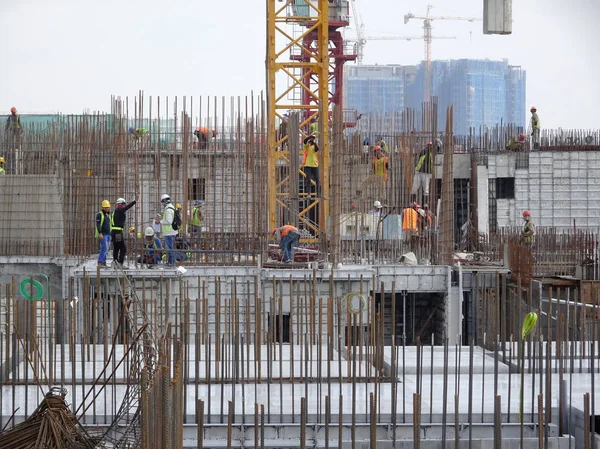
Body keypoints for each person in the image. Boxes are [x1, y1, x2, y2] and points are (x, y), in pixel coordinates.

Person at [110, 197, 137, 269]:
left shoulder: (115, 211)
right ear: (120, 204)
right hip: (118, 233)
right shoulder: (119, 210)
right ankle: (120, 263)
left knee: (116, 248)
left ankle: (115, 262)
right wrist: (134, 201)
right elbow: (127, 207)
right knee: (123, 248)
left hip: (114, 232)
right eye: (123, 204)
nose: (124, 206)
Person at [160, 194, 178, 266]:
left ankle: (171, 263)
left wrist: (160, 221)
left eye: (162, 202)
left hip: (169, 232)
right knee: (170, 248)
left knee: (170, 248)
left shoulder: (168, 209)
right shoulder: (171, 208)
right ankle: (171, 262)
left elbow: (169, 221)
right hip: (170, 232)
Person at [301, 134, 320, 198]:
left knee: (317, 179)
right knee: (308, 180)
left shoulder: (314, 147)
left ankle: (318, 193)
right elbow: (305, 141)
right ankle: (309, 193)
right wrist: (310, 136)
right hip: (308, 165)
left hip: (315, 165)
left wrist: (314, 142)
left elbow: (317, 149)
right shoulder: (306, 147)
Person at [95, 200, 112, 267]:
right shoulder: (99, 214)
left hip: (108, 234)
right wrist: (100, 233)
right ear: (103, 207)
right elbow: (98, 224)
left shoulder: (108, 215)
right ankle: (100, 262)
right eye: (105, 207)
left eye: (108, 207)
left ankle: (104, 262)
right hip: (103, 234)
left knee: (106, 249)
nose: (107, 208)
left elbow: (109, 225)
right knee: (104, 248)